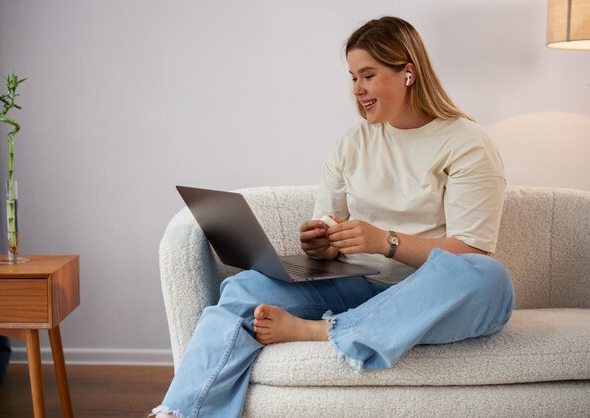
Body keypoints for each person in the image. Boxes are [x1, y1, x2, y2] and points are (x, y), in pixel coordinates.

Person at [151, 16, 515, 418]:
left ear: (407, 73)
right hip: (357, 287)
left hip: (429, 295)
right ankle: (178, 412)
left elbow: (471, 250)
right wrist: (321, 245)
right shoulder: (352, 143)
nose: (358, 89)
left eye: (368, 75)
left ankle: (322, 331)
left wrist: (385, 241)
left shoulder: (466, 143)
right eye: (352, 77)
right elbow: (330, 227)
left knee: (489, 278)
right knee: (243, 290)